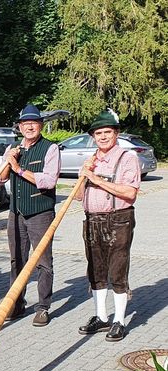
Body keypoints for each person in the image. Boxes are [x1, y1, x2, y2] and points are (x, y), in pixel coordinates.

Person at [75, 110, 140, 341]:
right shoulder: (90, 160)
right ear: (93, 136)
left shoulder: (127, 158)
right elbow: (78, 196)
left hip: (118, 219)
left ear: (116, 133)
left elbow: (130, 193)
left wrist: (96, 179)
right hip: (91, 220)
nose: (102, 137)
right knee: (96, 271)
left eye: (107, 132)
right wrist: (83, 176)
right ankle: (101, 317)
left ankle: (119, 320)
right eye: (98, 133)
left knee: (117, 271)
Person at [0, 104, 61, 326]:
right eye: (25, 124)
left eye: (33, 123)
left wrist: (17, 168)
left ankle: (43, 307)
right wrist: (8, 161)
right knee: (17, 259)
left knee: (43, 261)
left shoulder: (50, 148)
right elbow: (1, 179)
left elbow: (49, 181)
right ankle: (16, 304)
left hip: (40, 213)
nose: (29, 127)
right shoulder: (13, 148)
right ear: (20, 127)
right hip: (15, 213)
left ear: (40, 125)